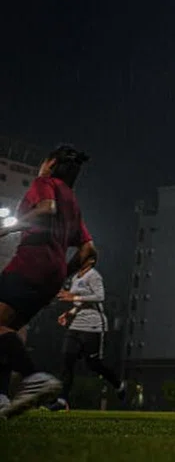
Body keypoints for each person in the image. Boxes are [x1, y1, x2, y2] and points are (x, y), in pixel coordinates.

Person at [0, 145, 95, 420]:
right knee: (7, 330)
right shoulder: (73, 202)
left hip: (31, 263)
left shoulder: (45, 183)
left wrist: (7, 228)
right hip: (51, 275)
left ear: (50, 163)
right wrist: (61, 272)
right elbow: (90, 251)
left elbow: (45, 209)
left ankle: (35, 378)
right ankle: (3, 397)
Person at [47, 252, 125, 411]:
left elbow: (100, 296)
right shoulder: (75, 278)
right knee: (67, 361)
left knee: (94, 364)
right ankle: (62, 401)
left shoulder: (94, 276)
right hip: (76, 324)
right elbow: (78, 303)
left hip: (93, 325)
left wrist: (74, 297)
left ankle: (118, 384)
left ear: (91, 261)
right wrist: (68, 314)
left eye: (82, 256)